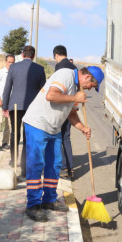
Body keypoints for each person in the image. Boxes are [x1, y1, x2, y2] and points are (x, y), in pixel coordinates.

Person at [22, 66, 105, 222]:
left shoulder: (77, 89)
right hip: (37, 124)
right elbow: (51, 95)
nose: (89, 89)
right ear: (87, 77)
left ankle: (49, 200)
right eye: (91, 86)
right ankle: (33, 205)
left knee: (55, 164)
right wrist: (75, 98)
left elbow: (71, 114)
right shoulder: (66, 74)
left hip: (54, 128)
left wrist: (82, 128)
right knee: (36, 164)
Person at [1, 46, 46, 176]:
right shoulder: (40, 69)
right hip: (32, 107)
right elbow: (43, 91)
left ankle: (13, 160)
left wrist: (5, 106)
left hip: (15, 105)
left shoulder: (13, 67)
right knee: (28, 136)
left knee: (15, 133)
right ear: (33, 55)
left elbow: (7, 88)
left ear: (22, 54)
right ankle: (25, 166)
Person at [53, 45, 77, 178]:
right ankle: (71, 168)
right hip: (71, 106)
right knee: (66, 137)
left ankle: (63, 167)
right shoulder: (74, 67)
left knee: (58, 137)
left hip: (61, 107)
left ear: (56, 55)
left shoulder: (59, 67)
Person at [0, 54, 15, 150]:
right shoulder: (0, 72)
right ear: (5, 62)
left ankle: (5, 142)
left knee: (8, 123)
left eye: (13, 62)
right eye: (9, 62)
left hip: (11, 102)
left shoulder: (15, 73)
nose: (11, 64)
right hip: (1, 101)